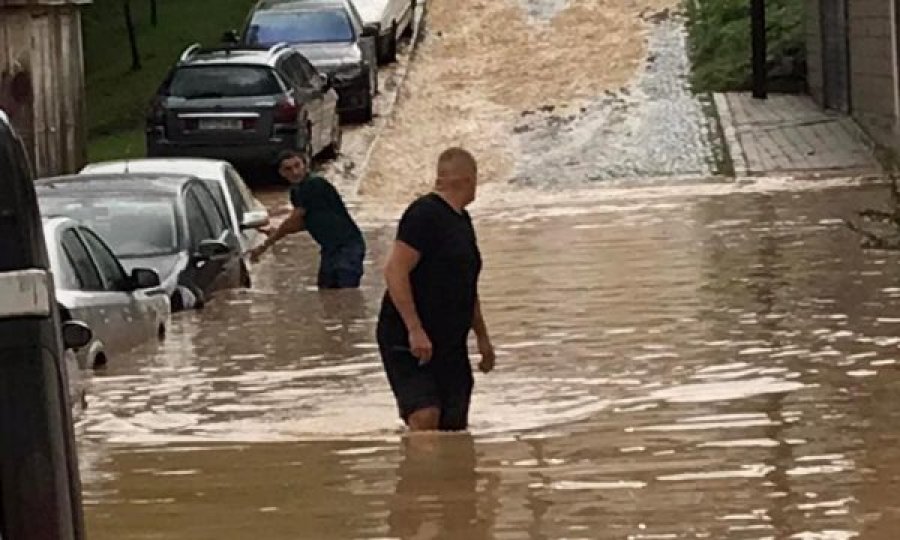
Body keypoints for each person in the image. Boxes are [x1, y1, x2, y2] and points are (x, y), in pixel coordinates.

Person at [377, 147, 496, 432]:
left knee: (455, 430)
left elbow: (466, 285)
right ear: (468, 180)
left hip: (450, 343)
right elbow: (395, 270)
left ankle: (447, 477)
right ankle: (416, 473)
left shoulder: (462, 222)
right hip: (409, 339)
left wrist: (482, 337)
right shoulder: (424, 214)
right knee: (425, 417)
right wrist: (414, 329)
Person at [249, 150, 366, 289]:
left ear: (305, 165)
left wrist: (265, 245)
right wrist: (277, 230)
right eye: (288, 169)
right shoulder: (296, 191)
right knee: (328, 294)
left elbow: (294, 219)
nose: (295, 172)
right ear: (281, 173)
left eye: (297, 166)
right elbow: (306, 221)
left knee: (344, 294)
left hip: (348, 247)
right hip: (330, 250)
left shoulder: (314, 183)